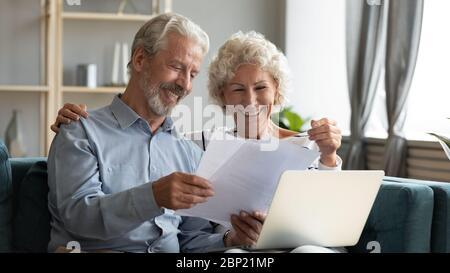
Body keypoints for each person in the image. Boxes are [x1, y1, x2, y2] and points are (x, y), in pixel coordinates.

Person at [52, 30, 344, 252]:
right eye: (238, 89)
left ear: (277, 91)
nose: (251, 100)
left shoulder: (307, 145)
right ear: (223, 96)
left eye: (260, 88)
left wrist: (329, 157)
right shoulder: (197, 145)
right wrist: (78, 125)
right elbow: (195, 230)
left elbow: (331, 219)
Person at [47, 13, 261, 253]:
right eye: (176, 67)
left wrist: (230, 240)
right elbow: (78, 217)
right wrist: (152, 197)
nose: (185, 85)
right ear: (140, 59)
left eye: (192, 74)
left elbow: (190, 238)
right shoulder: (80, 131)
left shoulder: (188, 152)